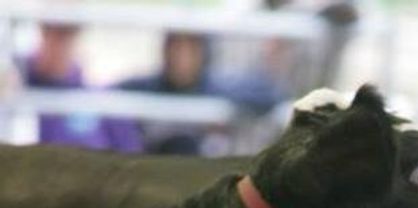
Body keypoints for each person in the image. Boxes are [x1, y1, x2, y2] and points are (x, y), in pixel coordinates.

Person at [116, 31, 285, 155]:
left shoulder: (218, 88)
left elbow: (270, 95)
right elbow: (106, 97)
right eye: (175, 48)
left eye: (191, 49)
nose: (182, 58)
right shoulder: (145, 87)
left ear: (204, 53)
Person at [18, 20, 142, 152]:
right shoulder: (16, 79)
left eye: (66, 34)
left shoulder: (104, 102)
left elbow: (132, 159)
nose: (57, 44)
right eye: (49, 31)